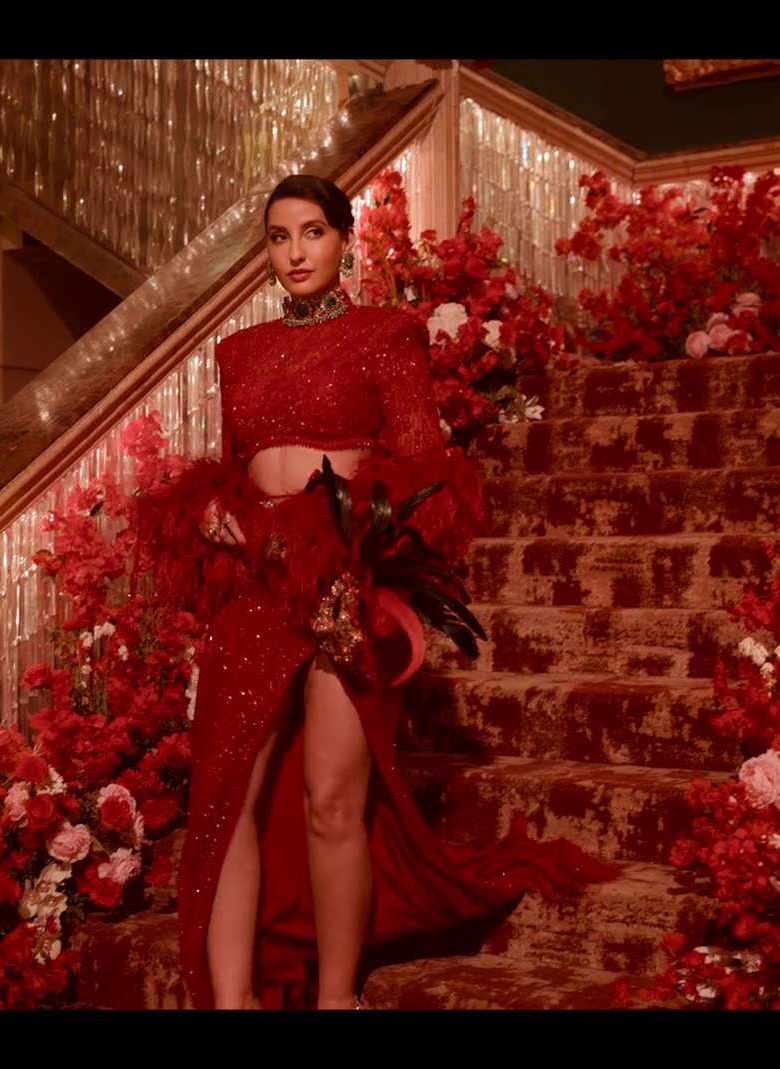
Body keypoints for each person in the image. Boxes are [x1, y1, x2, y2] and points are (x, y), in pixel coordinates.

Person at [136, 175, 619, 1011]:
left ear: (346, 240)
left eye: (313, 232)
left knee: (331, 800)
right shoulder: (237, 351)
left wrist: (341, 537)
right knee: (226, 798)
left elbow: (426, 467)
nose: (295, 252)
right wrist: (217, 506)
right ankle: (231, 1001)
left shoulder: (385, 334)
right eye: (279, 237)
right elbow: (235, 463)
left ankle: (337, 1000)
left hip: (341, 576)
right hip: (253, 584)